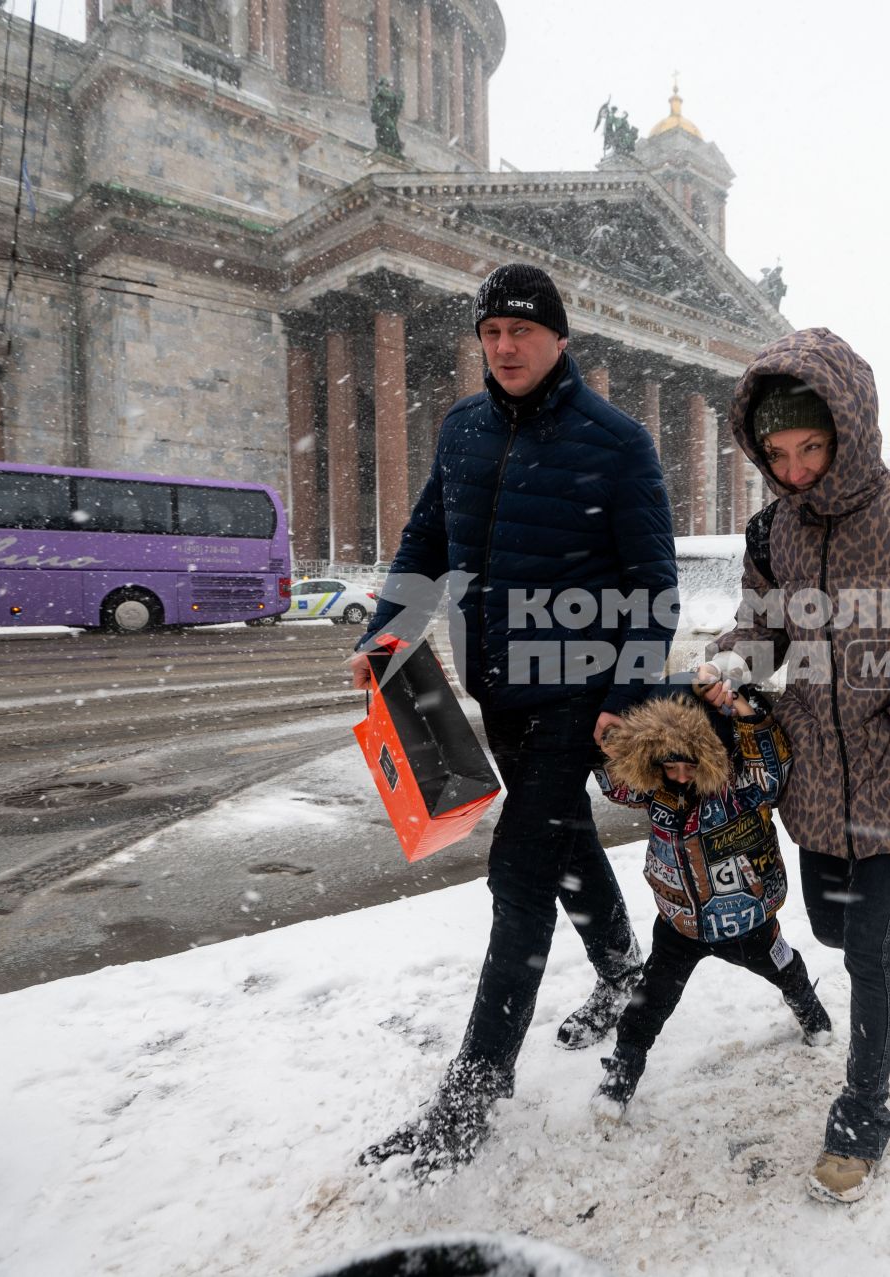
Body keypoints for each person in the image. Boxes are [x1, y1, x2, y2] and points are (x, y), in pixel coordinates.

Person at [348, 264, 677, 1176]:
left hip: (577, 691)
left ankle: (472, 1094)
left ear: (559, 339)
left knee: (518, 872)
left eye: (522, 331)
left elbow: (652, 589)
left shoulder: (616, 442)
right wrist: (387, 638)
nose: (505, 346)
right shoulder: (462, 428)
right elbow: (428, 541)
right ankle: (622, 969)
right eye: (491, 331)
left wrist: (622, 697)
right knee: (563, 837)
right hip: (496, 684)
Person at [696, 329, 890, 1204]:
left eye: (811, 448)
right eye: (778, 454)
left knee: (861, 949)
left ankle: (861, 1112)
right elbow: (765, 628)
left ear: (849, 429)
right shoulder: (773, 530)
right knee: (839, 935)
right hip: (816, 783)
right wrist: (731, 664)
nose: (795, 470)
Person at [588, 684, 832, 1120]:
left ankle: (809, 1010)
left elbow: (770, 773)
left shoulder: (739, 786)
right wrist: (607, 737)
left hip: (745, 920)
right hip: (679, 923)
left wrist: (750, 717)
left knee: (783, 969)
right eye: (669, 766)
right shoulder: (654, 789)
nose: (681, 776)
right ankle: (623, 1070)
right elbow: (618, 783)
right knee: (649, 1002)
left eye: (690, 766)